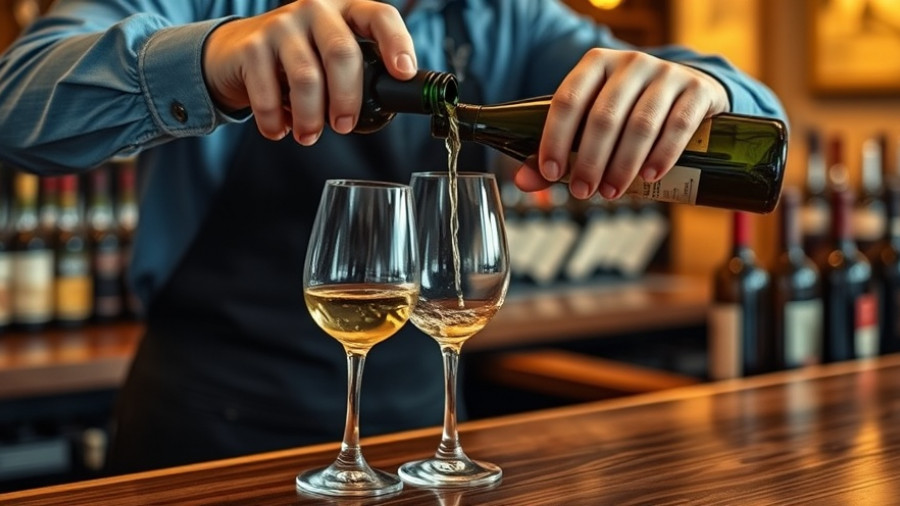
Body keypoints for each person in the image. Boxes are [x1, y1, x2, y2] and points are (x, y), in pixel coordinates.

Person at [0, 0, 786, 474]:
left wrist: (703, 91)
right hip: (202, 432)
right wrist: (211, 59)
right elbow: (17, 105)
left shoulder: (503, 18)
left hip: (421, 425)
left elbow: (759, 116)